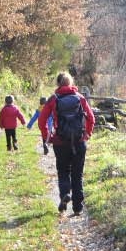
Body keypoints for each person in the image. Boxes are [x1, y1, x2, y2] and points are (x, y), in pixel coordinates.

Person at [38, 71, 95, 215]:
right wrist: (87, 133)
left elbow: (41, 121)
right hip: (79, 141)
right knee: (77, 174)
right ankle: (77, 208)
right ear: (71, 83)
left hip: (60, 141)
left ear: (58, 84)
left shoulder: (53, 99)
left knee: (63, 171)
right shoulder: (80, 98)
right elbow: (91, 119)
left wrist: (48, 137)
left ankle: (64, 194)